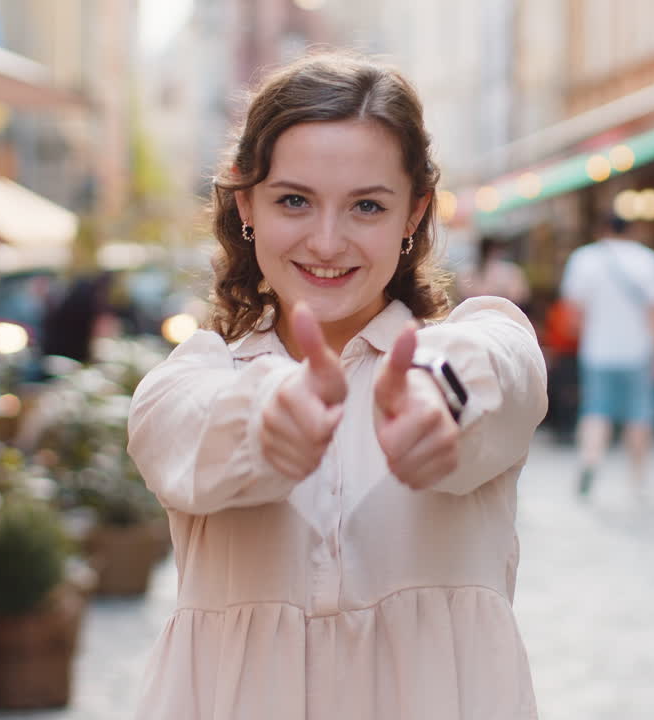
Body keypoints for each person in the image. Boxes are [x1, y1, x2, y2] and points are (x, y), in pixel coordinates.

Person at [126, 51, 547, 719]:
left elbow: (497, 372)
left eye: (366, 207)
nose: (328, 241)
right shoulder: (194, 378)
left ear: (414, 213)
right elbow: (183, 427)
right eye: (295, 200)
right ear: (247, 205)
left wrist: (438, 404)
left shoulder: (474, 341)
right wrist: (269, 413)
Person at [559, 213, 654, 498]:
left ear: (602, 230)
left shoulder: (584, 259)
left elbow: (572, 314)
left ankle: (590, 460)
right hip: (639, 350)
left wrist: (591, 330)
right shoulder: (649, 260)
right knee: (639, 413)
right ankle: (637, 476)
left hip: (598, 350)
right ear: (632, 231)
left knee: (596, 410)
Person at [457, 235, 530, 310]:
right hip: (478, 311)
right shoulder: (467, 271)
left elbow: (519, 296)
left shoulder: (511, 270)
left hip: (502, 311)